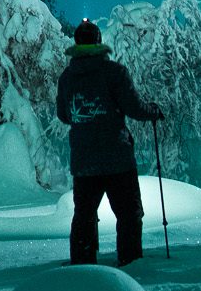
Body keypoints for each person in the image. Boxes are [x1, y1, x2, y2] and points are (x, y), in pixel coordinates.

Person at [55, 18, 162, 266]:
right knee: (128, 214)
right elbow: (134, 108)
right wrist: (153, 111)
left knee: (84, 216)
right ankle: (131, 263)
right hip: (118, 160)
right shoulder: (114, 72)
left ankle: (83, 264)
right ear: (99, 41)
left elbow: (63, 115)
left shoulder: (67, 77)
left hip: (84, 161)